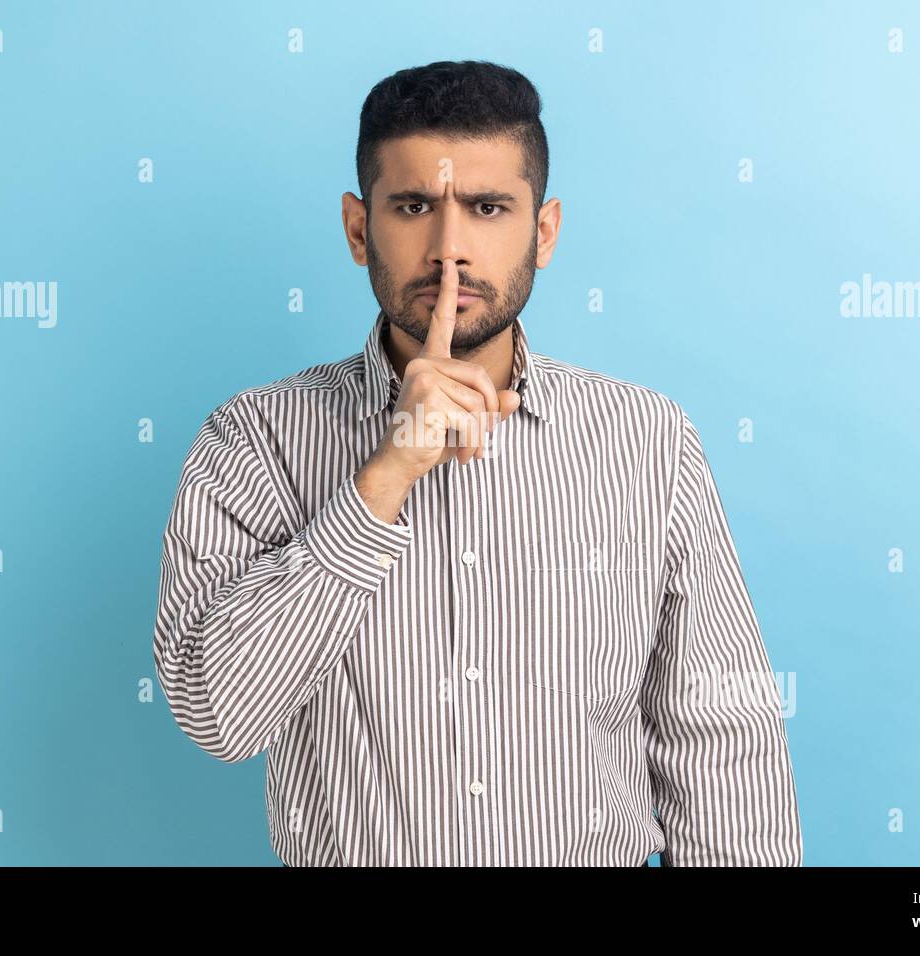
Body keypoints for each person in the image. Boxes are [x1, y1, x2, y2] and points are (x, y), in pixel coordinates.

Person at [152, 60, 802, 866]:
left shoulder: (649, 442)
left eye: (488, 207)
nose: (449, 252)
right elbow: (218, 713)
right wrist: (385, 476)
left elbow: (722, 745)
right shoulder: (255, 438)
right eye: (415, 206)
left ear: (544, 230)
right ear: (360, 230)